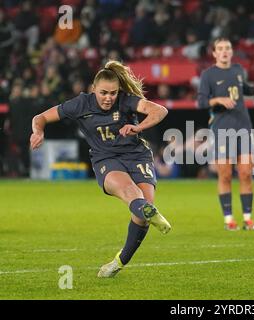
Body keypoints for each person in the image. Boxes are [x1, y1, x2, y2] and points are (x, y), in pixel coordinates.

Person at [30, 60, 172, 278]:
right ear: (93, 89)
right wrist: (38, 132)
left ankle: (119, 261)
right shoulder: (80, 104)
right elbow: (40, 118)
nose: (109, 98)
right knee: (133, 196)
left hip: (137, 156)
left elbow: (159, 110)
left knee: (143, 212)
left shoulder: (125, 101)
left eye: (113, 93)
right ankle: (147, 209)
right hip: (106, 159)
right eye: (104, 93)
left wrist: (139, 126)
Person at [198, 37, 254, 231]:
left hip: (243, 126)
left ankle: (248, 218)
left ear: (232, 52)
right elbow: (201, 102)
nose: (224, 51)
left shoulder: (238, 70)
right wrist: (218, 100)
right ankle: (229, 219)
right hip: (221, 128)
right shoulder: (208, 75)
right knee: (225, 175)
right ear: (215, 53)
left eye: (227, 48)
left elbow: (247, 89)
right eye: (220, 49)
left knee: (246, 173)